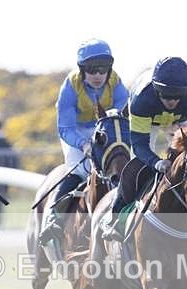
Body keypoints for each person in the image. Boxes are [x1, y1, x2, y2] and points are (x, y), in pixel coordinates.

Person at [101, 56, 187, 240]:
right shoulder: (142, 99)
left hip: (179, 122)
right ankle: (115, 217)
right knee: (137, 166)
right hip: (147, 120)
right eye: (167, 95)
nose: (172, 101)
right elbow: (140, 144)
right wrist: (156, 162)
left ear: (186, 91)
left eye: (177, 96)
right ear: (157, 89)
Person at [38, 38, 128, 245]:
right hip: (76, 132)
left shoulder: (116, 82)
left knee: (121, 165)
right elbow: (65, 128)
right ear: (82, 69)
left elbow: (123, 115)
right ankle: (54, 218)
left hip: (104, 129)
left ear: (109, 69)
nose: (97, 75)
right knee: (78, 170)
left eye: (102, 69)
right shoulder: (71, 86)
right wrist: (84, 144)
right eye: (91, 69)